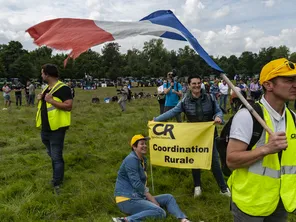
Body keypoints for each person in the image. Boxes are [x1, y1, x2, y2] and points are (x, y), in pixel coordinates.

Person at [227, 58, 296, 221]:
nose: (295, 84)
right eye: (289, 80)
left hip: (281, 201)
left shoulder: (293, 118)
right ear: (268, 85)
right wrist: (266, 149)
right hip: (250, 203)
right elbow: (231, 160)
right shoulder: (247, 116)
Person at [154, 75, 230, 198]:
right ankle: (197, 187)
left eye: (198, 83)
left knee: (214, 161)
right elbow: (172, 112)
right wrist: (156, 120)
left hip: (209, 135)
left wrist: (218, 117)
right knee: (194, 161)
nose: (197, 86)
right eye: (194, 83)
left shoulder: (210, 97)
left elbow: (218, 111)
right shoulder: (185, 100)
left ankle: (223, 188)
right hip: (193, 136)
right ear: (189, 85)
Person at [112, 134, 191, 222]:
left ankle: (183, 219)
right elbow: (137, 184)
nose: (145, 146)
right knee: (160, 212)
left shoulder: (142, 160)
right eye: (142, 144)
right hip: (126, 199)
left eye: (145, 144)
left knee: (168, 197)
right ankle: (125, 220)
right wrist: (153, 200)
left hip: (138, 196)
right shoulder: (131, 159)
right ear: (134, 147)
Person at [36, 64, 73, 193]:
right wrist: (41, 98)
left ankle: (57, 182)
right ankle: (56, 178)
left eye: (42, 73)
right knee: (52, 155)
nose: (41, 75)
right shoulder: (47, 88)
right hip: (45, 129)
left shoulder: (63, 89)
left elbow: (68, 106)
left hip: (56, 129)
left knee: (56, 157)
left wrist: (51, 101)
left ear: (47, 74)